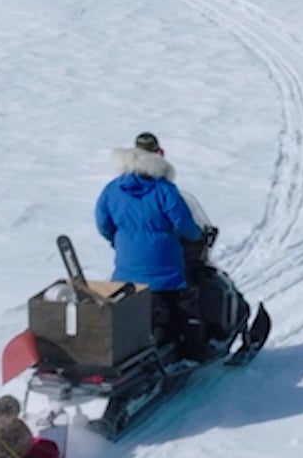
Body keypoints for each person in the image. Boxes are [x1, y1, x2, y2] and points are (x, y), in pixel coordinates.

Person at [94, 132, 220, 344]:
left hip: (126, 268)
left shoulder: (112, 189)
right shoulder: (164, 189)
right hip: (164, 266)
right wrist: (197, 236)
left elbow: (103, 223)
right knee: (186, 302)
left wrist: (118, 241)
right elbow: (184, 223)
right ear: (158, 155)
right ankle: (194, 349)